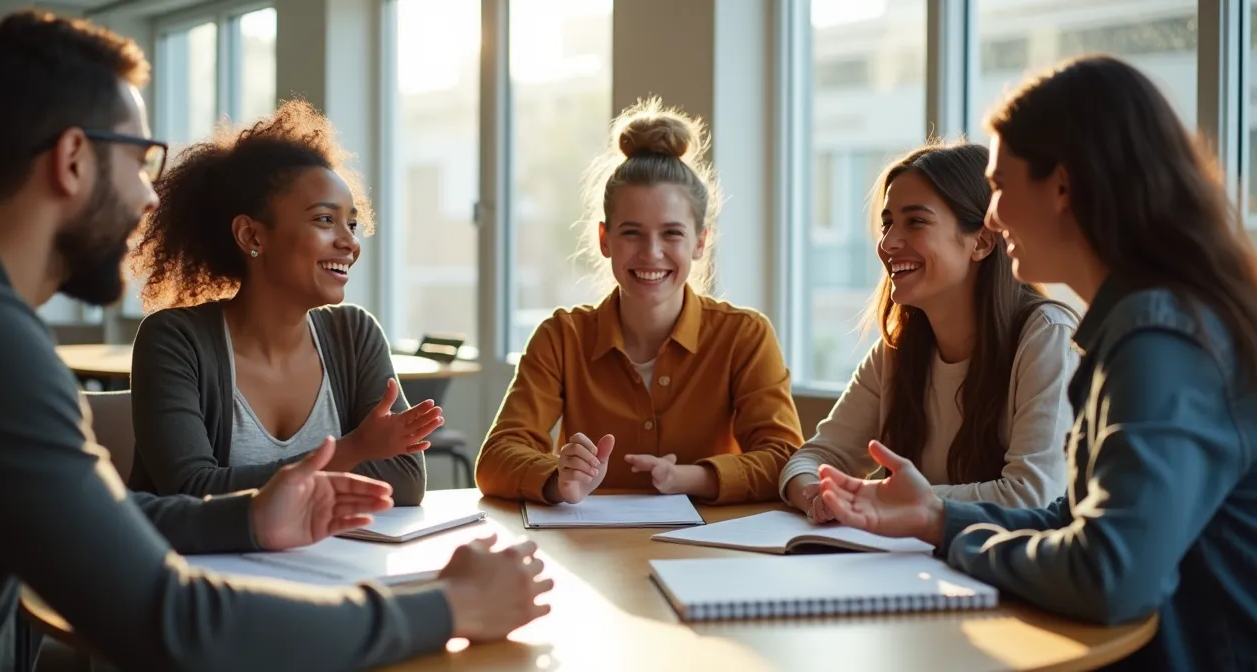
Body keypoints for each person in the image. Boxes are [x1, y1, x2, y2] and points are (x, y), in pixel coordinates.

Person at [0, 11, 550, 672]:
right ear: (72, 159)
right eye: (141, 160)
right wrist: (448, 606)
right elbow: (171, 621)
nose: (150, 197)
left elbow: (93, 519)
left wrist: (250, 520)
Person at [815, 56, 1257, 671]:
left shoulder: (1163, 341)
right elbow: (1073, 516)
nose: (991, 214)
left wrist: (959, 536)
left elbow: (1111, 573)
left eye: (998, 185)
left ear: (1062, 186)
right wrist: (937, 516)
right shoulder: (1136, 326)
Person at [475, 99, 804, 505]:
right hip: (592, 553)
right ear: (604, 239)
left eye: (671, 234)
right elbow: (495, 459)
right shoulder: (561, 338)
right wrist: (558, 480)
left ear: (701, 242)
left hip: (710, 557)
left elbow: (785, 459)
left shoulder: (744, 335)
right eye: (632, 233)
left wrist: (689, 477)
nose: (651, 253)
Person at [127, 99, 440, 502]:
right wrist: (353, 450)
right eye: (325, 220)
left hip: (333, 564)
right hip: (202, 565)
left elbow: (405, 479)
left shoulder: (354, 333)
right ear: (252, 236)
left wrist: (254, 479)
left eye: (352, 223)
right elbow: (192, 490)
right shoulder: (174, 340)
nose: (349, 243)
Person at [778, 142, 1078, 521]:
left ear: (982, 242)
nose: (887, 244)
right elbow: (813, 458)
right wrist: (820, 495)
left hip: (1008, 575)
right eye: (887, 223)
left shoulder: (1047, 337)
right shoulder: (897, 350)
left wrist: (885, 500)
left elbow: (1033, 495)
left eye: (915, 221)